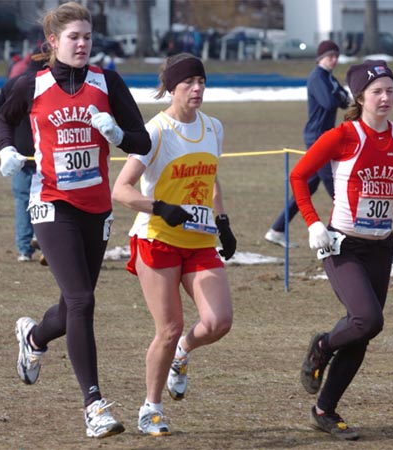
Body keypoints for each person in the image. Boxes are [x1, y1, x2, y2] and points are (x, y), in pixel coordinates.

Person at [0, 1, 151, 439]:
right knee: (82, 301)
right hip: (51, 202)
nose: (82, 44)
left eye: (87, 37)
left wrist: (118, 136)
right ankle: (94, 405)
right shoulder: (31, 83)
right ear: (53, 43)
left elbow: (142, 140)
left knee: (71, 304)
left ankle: (34, 339)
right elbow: (2, 118)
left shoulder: (107, 82)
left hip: (96, 207)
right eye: (73, 37)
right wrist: (7, 149)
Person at [291, 60, 393, 440]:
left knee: (362, 330)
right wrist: (313, 222)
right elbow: (299, 175)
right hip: (342, 245)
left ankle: (325, 410)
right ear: (360, 97)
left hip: (381, 247)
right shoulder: (344, 135)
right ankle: (322, 345)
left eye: (390, 90)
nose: (385, 98)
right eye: (377, 92)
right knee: (368, 319)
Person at [112, 53, 237, 436]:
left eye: (201, 81)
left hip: (198, 240)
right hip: (158, 239)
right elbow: (121, 189)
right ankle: (150, 408)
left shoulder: (213, 127)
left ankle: (184, 352)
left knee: (218, 322)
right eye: (189, 83)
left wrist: (223, 222)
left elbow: (211, 178)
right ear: (171, 87)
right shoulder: (156, 132)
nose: (197, 88)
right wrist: (159, 208)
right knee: (168, 327)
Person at [265, 40, 349, 247]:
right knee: (335, 185)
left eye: (336, 56)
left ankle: (277, 230)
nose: (334, 60)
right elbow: (330, 102)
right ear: (320, 58)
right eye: (330, 56)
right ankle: (348, 228)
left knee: (309, 186)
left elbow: (345, 100)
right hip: (318, 138)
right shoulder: (318, 77)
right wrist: (338, 95)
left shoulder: (329, 78)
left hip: (325, 137)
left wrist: (339, 95)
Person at [0, 51, 48, 263]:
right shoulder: (51, 86)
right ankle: (42, 240)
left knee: (23, 200)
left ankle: (24, 249)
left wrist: (7, 143)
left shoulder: (12, 84)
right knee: (49, 200)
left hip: (19, 152)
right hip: (47, 153)